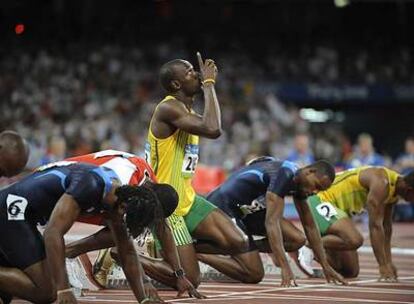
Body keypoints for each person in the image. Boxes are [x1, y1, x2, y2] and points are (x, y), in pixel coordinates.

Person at [0, 161, 176, 304]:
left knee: (10, 292)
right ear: (123, 207)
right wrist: (64, 289)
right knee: (46, 292)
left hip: (24, 217)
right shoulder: (90, 185)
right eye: (125, 218)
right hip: (13, 210)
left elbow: (127, 252)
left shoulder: (119, 198)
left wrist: (143, 300)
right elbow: (53, 233)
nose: (120, 223)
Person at [144, 53, 250, 287]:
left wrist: (207, 86)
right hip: (167, 205)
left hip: (188, 199)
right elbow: (213, 129)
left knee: (239, 243)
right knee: (191, 279)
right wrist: (209, 85)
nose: (198, 74)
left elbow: (211, 124)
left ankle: (174, 248)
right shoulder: (169, 109)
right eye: (191, 72)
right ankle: (125, 256)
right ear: (176, 84)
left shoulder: (187, 114)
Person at [63, 150, 202, 299]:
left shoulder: (150, 182)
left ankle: (69, 253)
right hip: (65, 182)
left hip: (80, 179)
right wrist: (143, 281)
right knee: (125, 229)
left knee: (130, 226)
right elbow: (125, 243)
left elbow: (163, 228)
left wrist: (179, 274)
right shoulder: (122, 182)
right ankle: (66, 254)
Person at [202, 156, 347, 286]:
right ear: (310, 172)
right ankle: (199, 252)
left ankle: (244, 249)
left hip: (246, 211)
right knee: (254, 274)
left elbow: (310, 225)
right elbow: (272, 223)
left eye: (319, 191)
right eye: (316, 186)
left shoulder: (300, 184)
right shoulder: (285, 174)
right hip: (224, 207)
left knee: (297, 239)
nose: (314, 192)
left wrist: (325, 265)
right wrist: (284, 266)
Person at [299, 166, 414, 281]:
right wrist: (383, 266)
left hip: (337, 212)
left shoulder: (393, 191)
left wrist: (389, 262)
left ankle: (314, 251)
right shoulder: (381, 183)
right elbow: (375, 227)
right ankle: (306, 245)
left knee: (350, 271)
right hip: (320, 199)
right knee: (355, 240)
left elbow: (386, 228)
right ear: (410, 190)